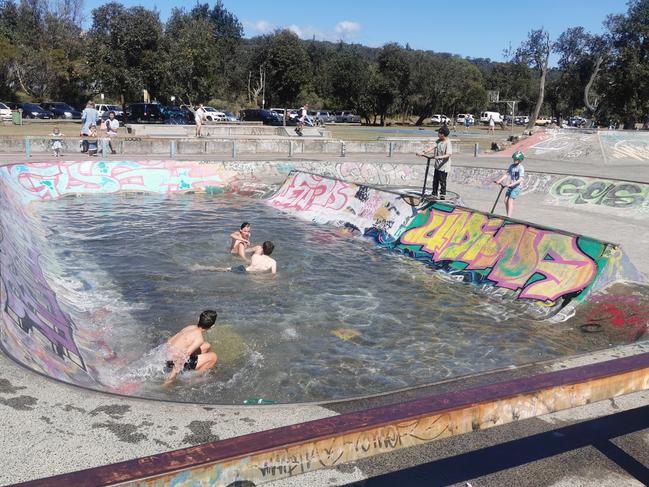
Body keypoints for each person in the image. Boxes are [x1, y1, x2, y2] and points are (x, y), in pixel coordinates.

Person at [164, 310, 218, 385]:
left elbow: (170, 341)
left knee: (207, 346)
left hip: (166, 357)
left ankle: (199, 365)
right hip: (173, 362)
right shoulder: (199, 339)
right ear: (212, 326)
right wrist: (171, 378)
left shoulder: (190, 327)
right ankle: (193, 378)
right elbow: (183, 356)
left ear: (198, 319)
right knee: (213, 357)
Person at [416, 124, 452, 200]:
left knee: (442, 181)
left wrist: (439, 157)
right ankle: (434, 194)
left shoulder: (448, 143)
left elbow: (448, 154)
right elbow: (431, 147)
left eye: (439, 133)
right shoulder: (439, 141)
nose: (437, 134)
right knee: (435, 180)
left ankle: (442, 195)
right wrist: (423, 152)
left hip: (444, 166)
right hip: (437, 165)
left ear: (443, 134)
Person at [494, 150, 525, 217]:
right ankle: (508, 215)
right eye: (514, 159)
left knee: (510, 200)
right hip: (511, 186)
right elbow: (507, 174)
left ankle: (509, 218)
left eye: (516, 159)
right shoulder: (512, 166)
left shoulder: (521, 168)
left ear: (520, 160)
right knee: (505, 200)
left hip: (517, 186)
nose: (515, 160)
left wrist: (511, 184)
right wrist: (499, 180)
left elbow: (520, 179)